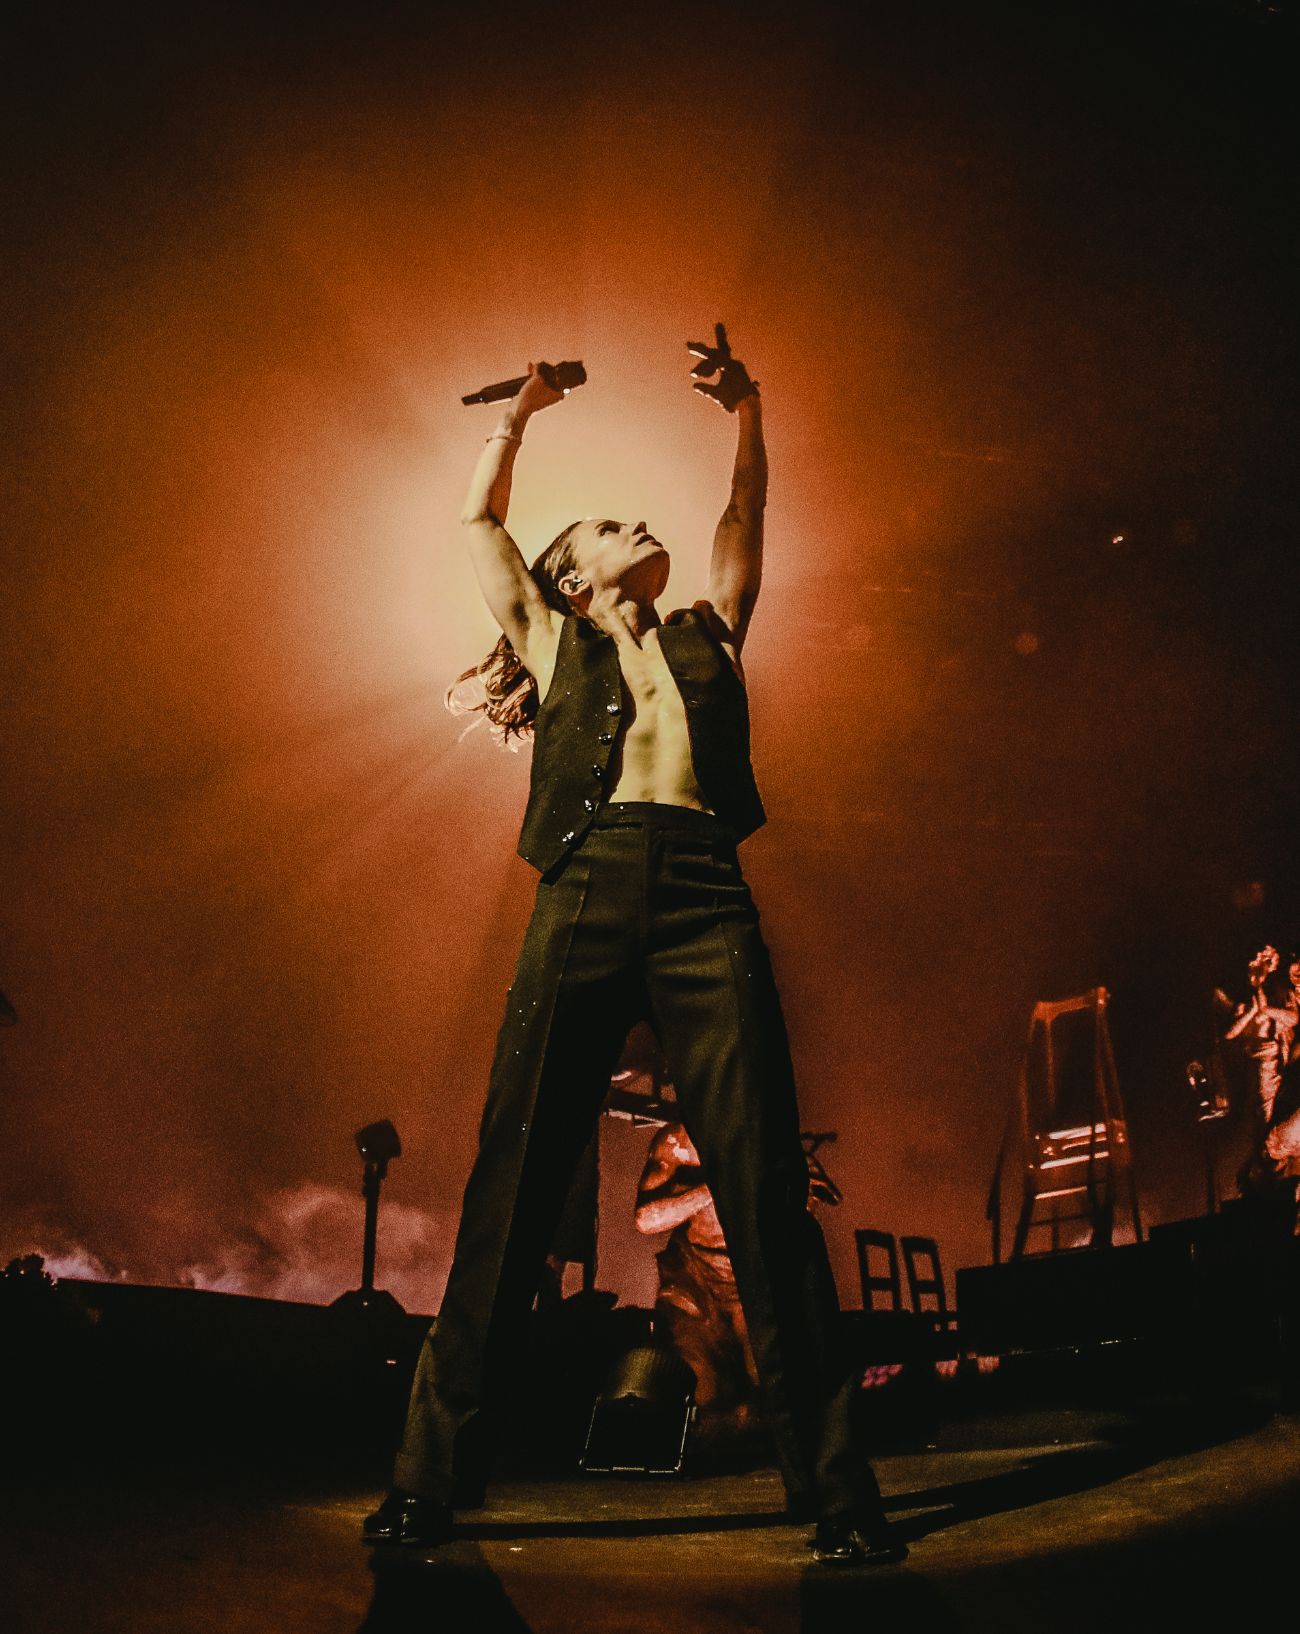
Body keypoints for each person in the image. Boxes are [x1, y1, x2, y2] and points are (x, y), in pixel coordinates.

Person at [363, 327, 903, 1566]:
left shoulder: (711, 627)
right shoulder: (557, 644)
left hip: (709, 893)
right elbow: (477, 532)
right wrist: (522, 414)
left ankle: (837, 1497)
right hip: (588, 882)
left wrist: (749, 408)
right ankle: (428, 1482)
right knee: (514, 1180)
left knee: (762, 1190)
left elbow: (744, 506)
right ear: (571, 575)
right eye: (604, 526)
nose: (631, 526)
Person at [635, 1120, 839, 1457]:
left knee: (769, 1383)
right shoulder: (677, 1144)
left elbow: (804, 1214)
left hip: (750, 1284)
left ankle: (756, 1442)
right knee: (702, 1386)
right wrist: (711, 1190)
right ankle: (710, 1443)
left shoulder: (770, 1140)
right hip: (696, 1285)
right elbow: (645, 1218)